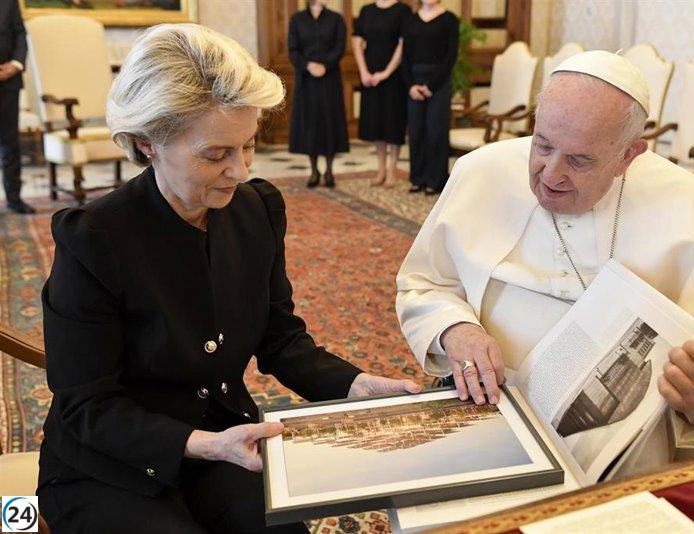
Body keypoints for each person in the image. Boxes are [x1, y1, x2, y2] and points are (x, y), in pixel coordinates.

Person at [36, 24, 420, 534]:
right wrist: (203, 445)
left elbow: (280, 339)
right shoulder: (94, 238)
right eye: (216, 154)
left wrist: (353, 384)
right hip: (110, 462)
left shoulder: (256, 210)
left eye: (249, 145)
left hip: (222, 436)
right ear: (147, 143)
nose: (239, 171)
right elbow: (86, 407)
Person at [396, 51, 694, 477]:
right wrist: (455, 330)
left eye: (579, 160)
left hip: (642, 445)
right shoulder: (479, 172)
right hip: (493, 408)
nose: (550, 175)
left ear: (628, 155)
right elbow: (422, 284)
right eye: (542, 145)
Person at [288, 0, 349, 189]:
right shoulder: (297, 19)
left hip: (330, 79)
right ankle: (314, 171)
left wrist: (325, 65)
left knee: (330, 122)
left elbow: (340, 46)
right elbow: (293, 49)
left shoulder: (336, 19)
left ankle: (329, 171)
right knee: (310, 123)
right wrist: (308, 65)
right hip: (306, 80)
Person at [352, 0, 411, 188]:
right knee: (376, 123)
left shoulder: (403, 10)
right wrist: (363, 72)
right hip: (370, 72)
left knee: (393, 122)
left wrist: (386, 73)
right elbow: (357, 41)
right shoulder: (367, 10)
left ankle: (392, 170)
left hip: (395, 75)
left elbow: (403, 45)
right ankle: (381, 169)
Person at [401, 0, 458, 195]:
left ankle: (436, 180)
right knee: (416, 131)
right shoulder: (410, 20)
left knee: (436, 131)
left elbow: (451, 56)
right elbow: (405, 57)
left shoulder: (449, 19)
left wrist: (431, 86)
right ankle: (417, 178)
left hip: (439, 83)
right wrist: (411, 85)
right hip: (414, 82)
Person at [0, 0, 35, 214]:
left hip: (7, 82)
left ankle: (14, 200)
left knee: (10, 144)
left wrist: (16, 64)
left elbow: (20, 34)